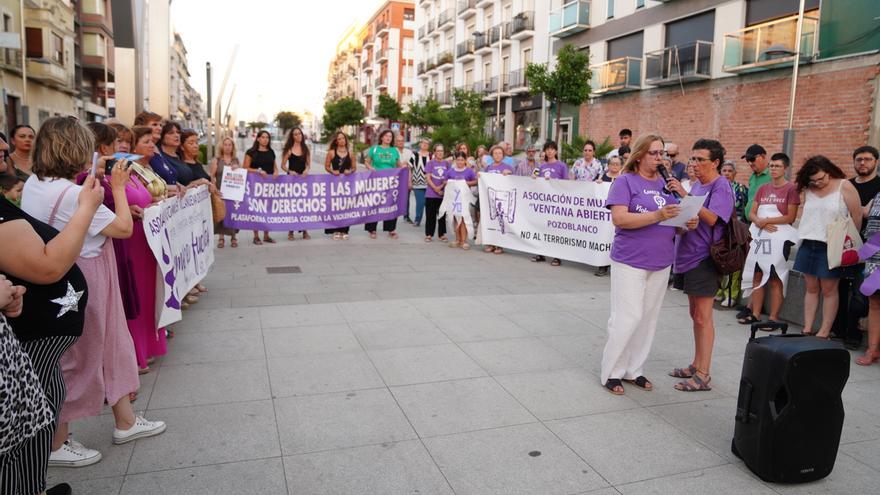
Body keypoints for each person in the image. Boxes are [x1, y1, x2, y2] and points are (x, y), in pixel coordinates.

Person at [20, 117, 165, 467]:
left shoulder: (35, 184)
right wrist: (117, 186)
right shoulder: (73, 194)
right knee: (81, 356)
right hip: (85, 273)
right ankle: (57, 441)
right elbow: (123, 228)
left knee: (109, 343)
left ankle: (125, 420)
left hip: (68, 270)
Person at [0, 175, 105, 495]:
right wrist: (87, 207)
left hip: (31, 334)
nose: (3, 156)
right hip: (35, 334)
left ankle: (33, 486)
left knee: (38, 410)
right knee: (15, 431)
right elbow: (48, 267)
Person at [84, 123, 168, 374]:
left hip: (144, 239)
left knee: (145, 295)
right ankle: (132, 355)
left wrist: (153, 203)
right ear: (102, 146)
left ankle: (145, 347)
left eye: (126, 141)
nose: (123, 146)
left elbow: (141, 197)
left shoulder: (129, 170)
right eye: (117, 141)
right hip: (124, 242)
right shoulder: (97, 177)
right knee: (129, 298)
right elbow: (103, 208)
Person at [600, 133, 681, 395]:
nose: (660, 158)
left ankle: (634, 369)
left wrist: (685, 223)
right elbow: (620, 219)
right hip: (630, 259)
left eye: (662, 154)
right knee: (628, 316)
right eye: (654, 153)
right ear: (640, 155)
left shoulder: (665, 185)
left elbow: (673, 222)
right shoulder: (625, 181)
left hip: (661, 259)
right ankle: (612, 371)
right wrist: (657, 214)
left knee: (647, 318)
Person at [665, 139, 735, 392]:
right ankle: (696, 364)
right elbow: (692, 216)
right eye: (692, 158)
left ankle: (704, 374)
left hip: (706, 258)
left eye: (700, 159)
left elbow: (715, 218)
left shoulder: (721, 185)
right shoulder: (697, 185)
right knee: (695, 313)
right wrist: (683, 223)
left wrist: (684, 196)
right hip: (688, 255)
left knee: (704, 316)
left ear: (715, 162)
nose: (693, 164)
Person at [794, 155, 863, 338]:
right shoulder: (809, 189)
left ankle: (824, 331)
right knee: (811, 288)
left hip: (832, 244)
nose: (818, 183)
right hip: (808, 242)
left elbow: (856, 216)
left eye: (822, 178)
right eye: (814, 180)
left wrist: (847, 245)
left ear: (829, 171)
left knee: (829, 290)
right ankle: (807, 328)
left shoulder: (844, 185)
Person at [738, 152, 799, 324]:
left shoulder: (791, 189)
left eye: (778, 166)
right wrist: (758, 221)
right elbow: (752, 212)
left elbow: (790, 217)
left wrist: (766, 221)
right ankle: (755, 314)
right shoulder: (763, 188)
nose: (773, 169)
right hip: (760, 238)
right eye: (771, 165)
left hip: (779, 240)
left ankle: (773, 317)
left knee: (774, 278)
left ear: (785, 168)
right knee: (757, 275)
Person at [834, 146, 880, 348]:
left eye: (868, 159)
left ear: (876, 162)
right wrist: (860, 210)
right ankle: (840, 331)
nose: (863, 163)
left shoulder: (879, 186)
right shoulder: (847, 185)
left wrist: (859, 212)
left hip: (871, 249)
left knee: (862, 294)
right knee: (840, 289)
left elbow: (867, 214)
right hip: (844, 245)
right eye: (859, 159)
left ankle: (855, 334)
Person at [715, 159, 750, 308]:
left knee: (733, 263)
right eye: (724, 171)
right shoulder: (716, 188)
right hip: (719, 230)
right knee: (719, 261)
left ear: (735, 173)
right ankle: (719, 291)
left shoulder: (741, 189)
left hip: (735, 232)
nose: (727, 174)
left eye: (730, 171)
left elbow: (745, 211)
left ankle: (731, 295)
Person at [531, 141, 567, 266]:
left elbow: (566, 184)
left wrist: (554, 182)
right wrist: (535, 178)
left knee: (556, 229)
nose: (550, 151)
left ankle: (557, 256)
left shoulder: (562, 166)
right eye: (548, 149)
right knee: (542, 226)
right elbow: (534, 180)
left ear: (556, 151)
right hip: (544, 202)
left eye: (552, 149)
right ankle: (541, 253)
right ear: (545, 152)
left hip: (556, 202)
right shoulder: (541, 167)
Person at [364, 129, 402, 239]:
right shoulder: (374, 149)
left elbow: (398, 164)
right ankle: (372, 229)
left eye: (390, 136)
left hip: (391, 182)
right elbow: (367, 162)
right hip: (377, 181)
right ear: (381, 137)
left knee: (390, 204)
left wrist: (404, 169)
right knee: (375, 204)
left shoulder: (394, 150)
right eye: (386, 136)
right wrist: (371, 168)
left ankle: (391, 228)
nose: (388, 138)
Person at [243, 130, 279, 244]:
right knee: (257, 210)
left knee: (267, 210)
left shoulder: (271, 152)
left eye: (267, 137)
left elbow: (274, 166)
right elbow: (245, 167)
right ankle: (256, 236)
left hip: (269, 187)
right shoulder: (251, 152)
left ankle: (266, 235)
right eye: (263, 137)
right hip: (255, 186)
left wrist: (276, 172)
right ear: (258, 139)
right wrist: (258, 170)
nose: (265, 139)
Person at [480, 145, 514, 255]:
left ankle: (500, 244)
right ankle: (490, 242)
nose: (497, 155)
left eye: (500, 153)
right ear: (492, 155)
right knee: (490, 220)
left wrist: (509, 173)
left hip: (502, 198)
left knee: (501, 221)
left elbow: (515, 180)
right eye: (495, 153)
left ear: (503, 155)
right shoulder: (488, 167)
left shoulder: (508, 166)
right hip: (490, 199)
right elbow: (483, 180)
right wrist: (479, 176)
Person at [209, 136, 240, 248]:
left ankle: (233, 237)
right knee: (221, 213)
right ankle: (221, 238)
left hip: (232, 192)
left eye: (229, 145)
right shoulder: (216, 160)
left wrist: (237, 168)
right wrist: (215, 189)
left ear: (233, 147)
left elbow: (240, 177)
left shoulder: (235, 160)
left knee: (232, 214)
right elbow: (212, 176)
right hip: (220, 191)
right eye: (225, 144)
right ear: (222, 146)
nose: (227, 147)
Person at [281, 127, 311, 240]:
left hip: (303, 181)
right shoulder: (289, 149)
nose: (298, 136)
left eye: (299, 133)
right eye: (295, 134)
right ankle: (291, 231)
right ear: (292, 137)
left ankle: (304, 230)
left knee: (303, 206)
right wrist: (289, 171)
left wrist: (306, 170)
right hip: (291, 181)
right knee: (292, 205)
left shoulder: (305, 148)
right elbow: (283, 165)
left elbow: (308, 164)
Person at [324, 131, 355, 240]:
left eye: (343, 138)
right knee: (335, 207)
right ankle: (335, 229)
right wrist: (333, 171)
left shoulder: (350, 153)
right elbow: (326, 166)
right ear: (336, 141)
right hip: (335, 183)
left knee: (346, 207)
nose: (342, 140)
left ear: (346, 140)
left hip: (347, 184)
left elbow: (354, 167)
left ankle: (345, 230)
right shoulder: (332, 152)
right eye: (339, 139)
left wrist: (350, 170)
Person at [445, 151, 478, 249]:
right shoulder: (451, 171)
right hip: (454, 199)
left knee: (464, 219)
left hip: (464, 199)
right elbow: (445, 181)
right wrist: (451, 182)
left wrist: (466, 183)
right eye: (458, 160)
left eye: (462, 160)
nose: (460, 162)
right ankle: (457, 239)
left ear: (465, 160)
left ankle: (464, 241)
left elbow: (476, 181)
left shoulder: (469, 171)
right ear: (455, 160)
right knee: (455, 219)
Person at [424, 143, 449, 243]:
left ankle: (441, 234)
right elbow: (428, 178)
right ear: (434, 152)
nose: (440, 153)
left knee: (442, 215)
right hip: (431, 193)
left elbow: (448, 178)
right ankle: (429, 234)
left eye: (441, 151)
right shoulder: (430, 163)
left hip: (443, 193)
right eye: (438, 151)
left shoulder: (447, 164)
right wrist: (436, 188)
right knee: (430, 215)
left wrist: (441, 188)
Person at [408, 138, 430, 227]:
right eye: (423, 143)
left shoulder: (431, 156)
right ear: (420, 144)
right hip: (417, 183)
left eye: (427, 143)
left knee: (429, 204)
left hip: (430, 184)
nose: (425, 144)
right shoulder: (415, 155)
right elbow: (409, 168)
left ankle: (430, 221)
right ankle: (417, 220)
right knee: (420, 203)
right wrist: (409, 180)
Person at [398, 135, 416, 223]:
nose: (400, 142)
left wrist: (410, 180)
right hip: (395, 178)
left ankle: (406, 215)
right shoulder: (393, 151)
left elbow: (411, 165)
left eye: (402, 141)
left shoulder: (409, 152)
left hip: (406, 177)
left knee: (406, 197)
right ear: (395, 142)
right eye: (398, 141)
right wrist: (403, 164)